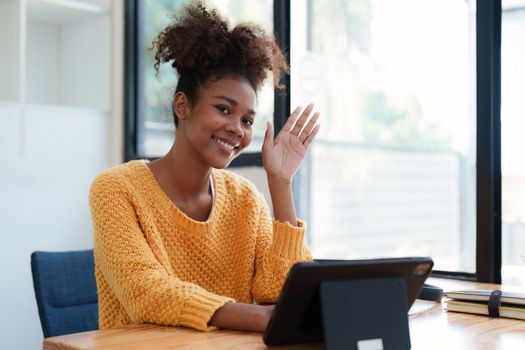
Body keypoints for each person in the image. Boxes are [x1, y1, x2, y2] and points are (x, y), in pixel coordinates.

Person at [89, 1, 320, 333]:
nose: (237, 128)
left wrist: (281, 182)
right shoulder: (116, 189)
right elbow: (145, 292)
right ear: (183, 105)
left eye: (247, 119)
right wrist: (260, 317)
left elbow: (283, 293)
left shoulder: (246, 201)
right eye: (224, 109)